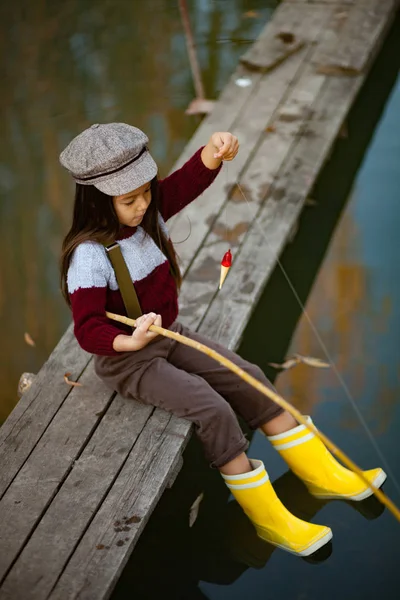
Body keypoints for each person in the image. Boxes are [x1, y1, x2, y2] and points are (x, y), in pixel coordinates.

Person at [59, 123, 386, 557]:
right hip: (129, 361)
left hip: (170, 335)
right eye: (128, 200)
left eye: (145, 194)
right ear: (98, 201)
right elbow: (88, 329)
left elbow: (182, 185)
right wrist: (128, 342)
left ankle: (321, 474)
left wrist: (213, 153)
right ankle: (270, 519)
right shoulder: (89, 257)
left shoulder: (149, 210)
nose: (142, 207)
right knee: (211, 407)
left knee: (246, 375)